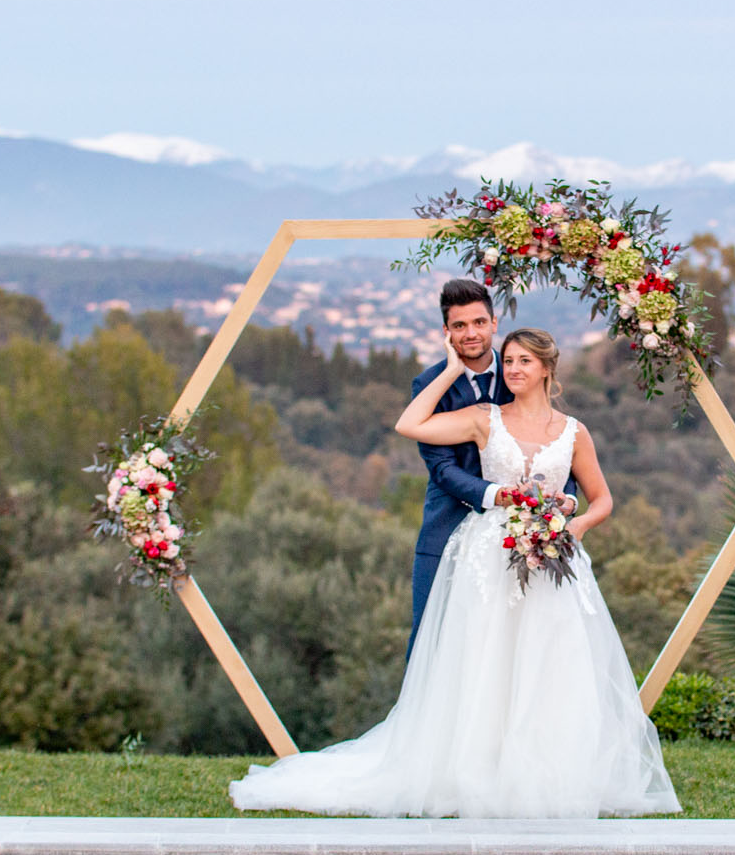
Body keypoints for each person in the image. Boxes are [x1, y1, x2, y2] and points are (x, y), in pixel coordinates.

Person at [228, 324, 679, 818]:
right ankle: (475, 773)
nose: (512, 370)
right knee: (483, 661)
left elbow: (604, 498)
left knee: (550, 662)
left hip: (552, 557)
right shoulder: (485, 419)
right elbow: (410, 424)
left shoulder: (574, 432)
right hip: (489, 555)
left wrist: (578, 525)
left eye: (524, 361)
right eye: (507, 361)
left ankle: (545, 776)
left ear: (548, 368)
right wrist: (450, 370)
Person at [404, 279, 575, 655]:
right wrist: (501, 496)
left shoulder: (520, 371)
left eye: (479, 322)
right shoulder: (429, 384)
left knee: (516, 646)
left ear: (494, 323)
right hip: (447, 527)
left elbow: (560, 447)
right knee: (429, 646)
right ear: (446, 332)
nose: (471, 333)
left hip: (523, 537)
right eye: (460, 326)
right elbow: (442, 470)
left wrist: (564, 504)